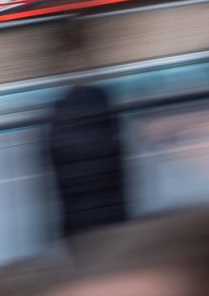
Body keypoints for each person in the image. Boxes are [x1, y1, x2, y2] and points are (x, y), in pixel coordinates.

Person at [44, 16, 131, 254]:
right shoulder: (91, 98)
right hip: (93, 189)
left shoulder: (84, 100)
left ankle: (71, 37)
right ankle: (72, 36)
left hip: (88, 182)